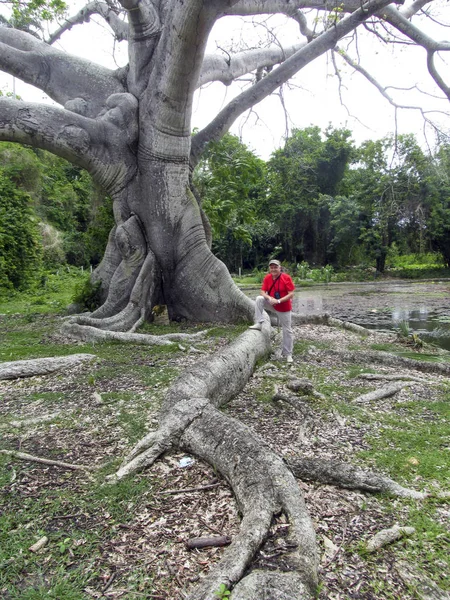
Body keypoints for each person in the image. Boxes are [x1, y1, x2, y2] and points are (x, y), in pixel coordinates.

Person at [249, 259, 295, 363]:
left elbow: (291, 294)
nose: (273, 269)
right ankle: (259, 323)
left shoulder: (286, 278)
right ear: (270, 268)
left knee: (287, 330)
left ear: (280, 268)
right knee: (259, 299)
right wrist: (269, 298)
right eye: (272, 267)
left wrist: (278, 301)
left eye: (275, 267)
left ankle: (288, 354)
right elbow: (262, 291)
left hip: (283, 307)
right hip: (272, 303)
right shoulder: (268, 278)